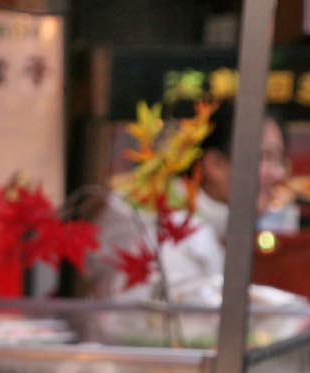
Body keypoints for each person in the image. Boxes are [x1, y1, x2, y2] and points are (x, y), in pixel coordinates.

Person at [94, 97, 292, 299]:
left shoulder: (193, 224)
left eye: (279, 160)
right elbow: (178, 322)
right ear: (215, 164)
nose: (279, 174)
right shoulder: (170, 231)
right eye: (266, 157)